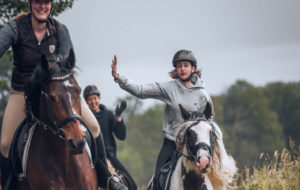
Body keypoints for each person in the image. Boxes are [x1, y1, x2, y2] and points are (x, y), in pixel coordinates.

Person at [0, 1, 127, 190]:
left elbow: (64, 63)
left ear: (50, 5)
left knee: (93, 126)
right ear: (30, 3)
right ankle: (8, 185)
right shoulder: (15, 27)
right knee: (5, 143)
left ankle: (107, 178)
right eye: (38, 2)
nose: (42, 6)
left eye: (46, 2)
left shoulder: (60, 30)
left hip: (57, 90)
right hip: (23, 92)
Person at [111, 49, 214, 190]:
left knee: (215, 174)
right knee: (158, 176)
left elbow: (209, 121)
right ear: (176, 69)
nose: (182, 69)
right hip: (172, 142)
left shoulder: (203, 94)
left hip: (195, 145)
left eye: (185, 65)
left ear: (193, 68)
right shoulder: (169, 88)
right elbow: (141, 90)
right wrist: (119, 78)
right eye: (179, 66)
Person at [83, 85, 137, 190]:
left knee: (132, 185)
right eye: (89, 99)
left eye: (95, 98)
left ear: (99, 98)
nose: (93, 102)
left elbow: (121, 136)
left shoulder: (108, 115)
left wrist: (118, 117)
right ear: (86, 102)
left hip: (111, 158)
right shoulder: (84, 119)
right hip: (93, 159)